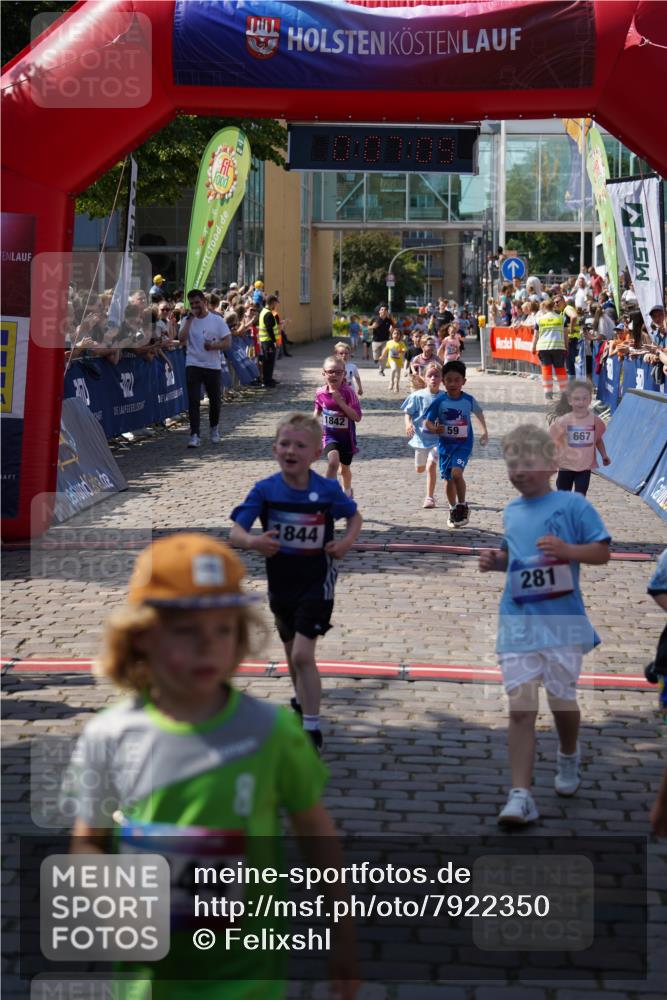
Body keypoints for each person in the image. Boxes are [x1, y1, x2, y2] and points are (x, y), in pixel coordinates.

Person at [66, 532, 358, 999]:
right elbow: (87, 842)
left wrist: (343, 935)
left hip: (248, 982)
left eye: (223, 630)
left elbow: (315, 832)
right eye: (186, 631)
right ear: (142, 637)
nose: (208, 646)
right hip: (148, 983)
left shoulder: (273, 732)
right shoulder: (110, 735)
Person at [479, 424, 611, 827]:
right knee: (520, 708)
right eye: (511, 463)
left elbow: (602, 552)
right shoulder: (511, 511)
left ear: (553, 464)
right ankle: (520, 795)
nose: (517, 471)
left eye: (527, 463)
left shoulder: (574, 507)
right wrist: (496, 562)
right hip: (517, 620)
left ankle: (568, 753)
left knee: (561, 701)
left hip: (563, 622)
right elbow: (514, 557)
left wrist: (568, 550)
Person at [230, 414, 362, 752]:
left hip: (318, 582)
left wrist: (345, 542)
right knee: (292, 656)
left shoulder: (326, 489)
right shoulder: (265, 490)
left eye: (300, 445)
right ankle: (304, 705)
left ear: (316, 453)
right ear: (275, 449)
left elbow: (354, 516)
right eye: (285, 444)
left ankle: (312, 730)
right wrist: (254, 542)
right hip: (281, 584)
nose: (291, 450)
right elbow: (236, 532)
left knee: (304, 654)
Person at [423, 360, 489, 528]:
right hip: (445, 446)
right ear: (443, 381)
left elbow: (479, 412)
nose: (452, 384)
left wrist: (485, 431)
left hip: (463, 445)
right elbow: (427, 422)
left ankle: (463, 505)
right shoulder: (439, 401)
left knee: (457, 474)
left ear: (463, 382)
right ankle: (452, 508)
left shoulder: (468, 400)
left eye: (457, 380)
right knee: (447, 479)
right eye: (449, 380)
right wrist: (435, 429)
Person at [178, 289, 231, 448]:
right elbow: (181, 340)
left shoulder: (217, 320)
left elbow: (228, 342)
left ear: (204, 302)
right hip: (193, 364)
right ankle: (194, 434)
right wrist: (188, 320)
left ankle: (214, 428)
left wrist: (214, 345)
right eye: (192, 303)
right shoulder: (187, 319)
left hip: (212, 365)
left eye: (197, 303)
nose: (195, 306)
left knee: (215, 400)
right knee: (193, 401)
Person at [547, 379, 611, 495]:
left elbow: (597, 439)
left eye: (585, 398)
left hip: (585, 467)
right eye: (577, 399)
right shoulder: (564, 421)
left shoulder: (595, 421)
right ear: (570, 401)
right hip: (566, 466)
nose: (581, 402)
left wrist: (604, 455)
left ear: (590, 400)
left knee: (580, 494)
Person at [313, 356, 362, 498]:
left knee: (344, 470)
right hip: (329, 436)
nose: (334, 375)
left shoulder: (348, 393)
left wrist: (341, 403)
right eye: (330, 372)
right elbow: (318, 408)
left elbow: (357, 417)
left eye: (338, 372)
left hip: (347, 438)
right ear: (323, 373)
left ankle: (347, 492)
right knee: (333, 463)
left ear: (344, 374)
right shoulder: (320, 392)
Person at [401, 361, 445, 509]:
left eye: (437, 375)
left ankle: (429, 497)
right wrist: (408, 424)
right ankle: (421, 467)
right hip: (420, 439)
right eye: (430, 375)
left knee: (431, 466)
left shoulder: (446, 397)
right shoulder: (417, 396)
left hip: (438, 440)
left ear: (442, 378)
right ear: (425, 378)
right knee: (420, 469)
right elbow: (407, 412)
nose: (433, 378)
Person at [531, 295, 568, 402]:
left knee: (546, 370)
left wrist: (533, 347)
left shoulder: (539, 320)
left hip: (543, 348)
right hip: (558, 347)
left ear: (544, 308)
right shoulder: (562, 318)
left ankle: (548, 393)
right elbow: (566, 335)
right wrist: (566, 347)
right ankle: (564, 393)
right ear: (553, 307)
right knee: (560, 370)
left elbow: (536, 335)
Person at [258, 294, 280, 388]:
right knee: (269, 362)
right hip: (268, 342)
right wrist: (274, 341)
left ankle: (269, 379)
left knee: (268, 361)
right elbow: (269, 329)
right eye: (275, 303)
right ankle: (267, 381)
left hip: (265, 341)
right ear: (272, 303)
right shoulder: (268, 314)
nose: (276, 305)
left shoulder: (263, 311)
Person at [380, 327, 407, 393]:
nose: (396, 335)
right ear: (392, 335)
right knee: (393, 369)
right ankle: (391, 382)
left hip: (399, 360)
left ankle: (396, 385)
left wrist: (402, 350)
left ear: (400, 335)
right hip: (391, 360)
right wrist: (382, 356)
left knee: (398, 375)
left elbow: (405, 350)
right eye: (394, 333)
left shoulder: (401, 343)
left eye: (398, 334)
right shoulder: (389, 342)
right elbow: (386, 350)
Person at [370, 305, 392, 375]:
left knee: (384, 356)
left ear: (387, 311)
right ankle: (376, 359)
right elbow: (368, 327)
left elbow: (394, 327)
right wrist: (373, 326)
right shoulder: (375, 319)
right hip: (376, 340)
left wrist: (392, 330)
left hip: (385, 340)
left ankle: (381, 370)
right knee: (376, 356)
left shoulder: (389, 320)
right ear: (379, 311)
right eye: (382, 309)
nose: (384, 311)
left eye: (385, 310)